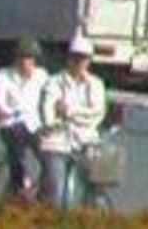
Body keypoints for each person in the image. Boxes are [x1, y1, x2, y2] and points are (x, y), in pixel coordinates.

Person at [34, 36, 108, 206]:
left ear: (89, 61)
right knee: (57, 192)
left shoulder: (96, 85)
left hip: (86, 143)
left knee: (96, 193)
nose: (79, 62)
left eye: (83, 58)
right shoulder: (54, 82)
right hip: (56, 142)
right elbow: (48, 110)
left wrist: (69, 111)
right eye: (75, 57)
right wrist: (51, 122)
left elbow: (96, 113)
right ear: (68, 58)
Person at [0, 40, 44, 203]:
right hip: (10, 123)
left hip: (35, 124)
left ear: (35, 60)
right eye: (22, 57)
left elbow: (49, 98)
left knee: (49, 153)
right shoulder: (3, 75)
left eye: (29, 58)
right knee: (16, 141)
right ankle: (20, 186)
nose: (25, 62)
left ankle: (40, 189)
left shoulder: (42, 76)